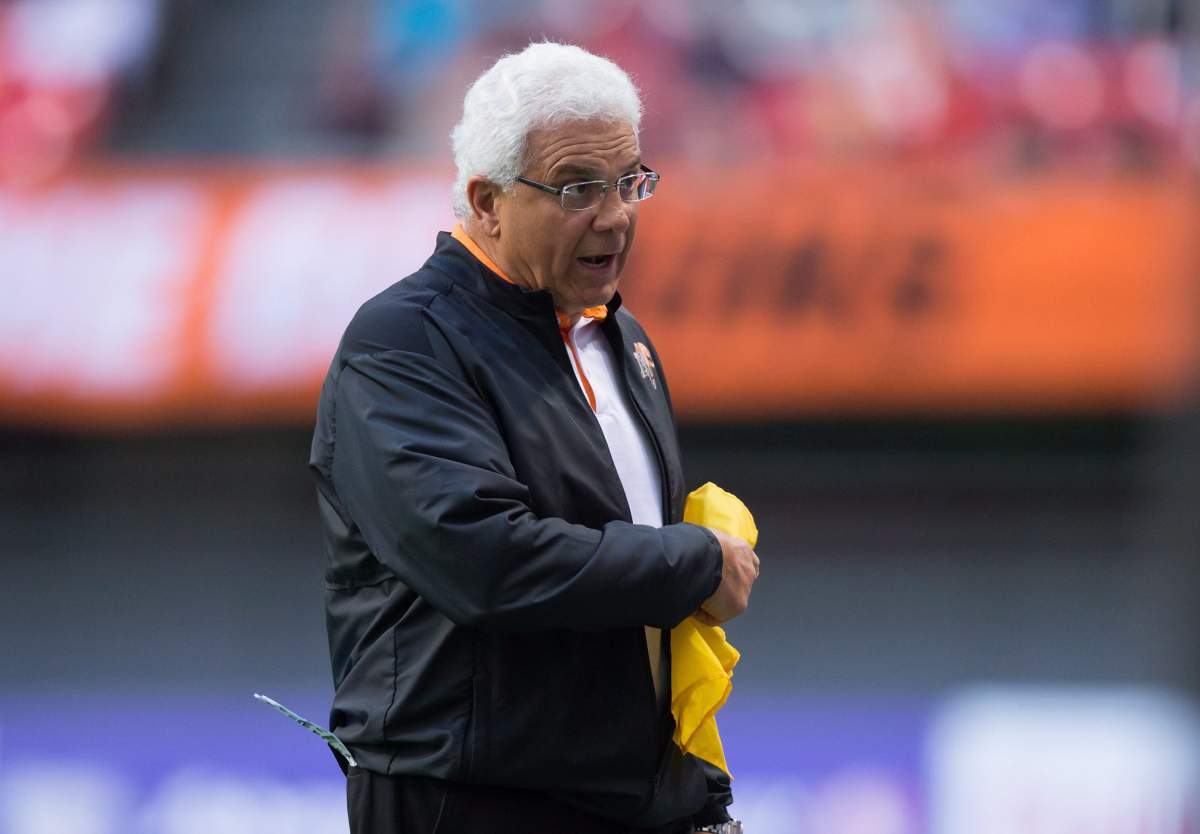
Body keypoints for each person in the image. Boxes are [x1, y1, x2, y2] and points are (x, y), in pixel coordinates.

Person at [309, 41, 759, 834]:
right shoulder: (403, 341)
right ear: (486, 203)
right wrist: (694, 562)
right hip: (469, 801)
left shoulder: (620, 337)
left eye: (630, 182)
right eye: (579, 187)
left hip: (619, 796)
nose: (616, 214)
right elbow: (485, 560)